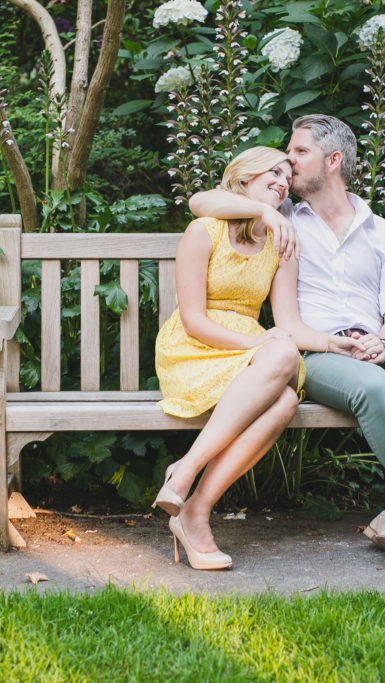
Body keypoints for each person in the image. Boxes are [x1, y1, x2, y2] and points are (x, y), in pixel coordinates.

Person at [190, 114, 385, 565]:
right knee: (373, 387)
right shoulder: (282, 220)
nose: (288, 162)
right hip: (317, 354)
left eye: (299, 153)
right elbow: (202, 200)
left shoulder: (382, 232)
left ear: (332, 161)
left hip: (376, 350)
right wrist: (261, 211)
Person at [153, 145, 364, 570]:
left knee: (287, 398)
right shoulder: (206, 230)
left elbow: (289, 321)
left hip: (254, 353)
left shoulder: (281, 240)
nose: (283, 180)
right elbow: (193, 320)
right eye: (273, 171)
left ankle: (194, 503)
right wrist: (259, 346)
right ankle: (187, 476)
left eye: (287, 175)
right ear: (244, 177)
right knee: (280, 356)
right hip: (195, 349)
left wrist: (331, 343)